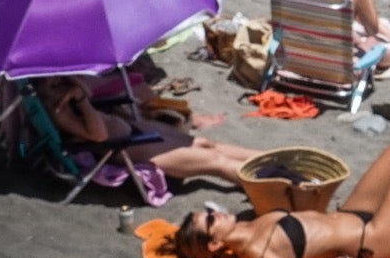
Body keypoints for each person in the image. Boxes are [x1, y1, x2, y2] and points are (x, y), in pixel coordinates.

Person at [169, 141, 390, 258]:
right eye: (209, 220)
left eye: (207, 211)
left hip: (353, 213)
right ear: (215, 243)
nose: (213, 213)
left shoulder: (249, 223)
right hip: (370, 239)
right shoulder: (257, 252)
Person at [38, 75, 260, 184]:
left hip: (136, 130)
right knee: (213, 161)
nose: (58, 77)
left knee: (206, 144)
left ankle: (272, 159)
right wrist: (81, 100)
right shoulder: (58, 110)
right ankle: (267, 183)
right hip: (129, 147)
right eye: (53, 77)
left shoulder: (61, 93)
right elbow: (99, 135)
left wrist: (73, 84)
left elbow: (87, 91)